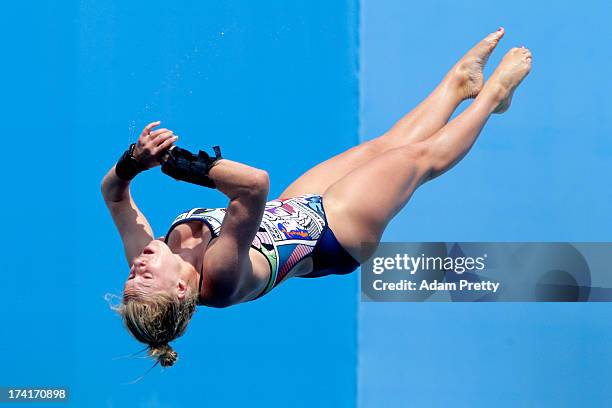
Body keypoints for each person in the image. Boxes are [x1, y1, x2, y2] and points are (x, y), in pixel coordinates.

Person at [101, 28, 531, 367]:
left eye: (130, 278)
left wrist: (134, 161)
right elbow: (253, 186)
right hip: (335, 237)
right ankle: (494, 95)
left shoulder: (152, 254)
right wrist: (176, 162)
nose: (135, 268)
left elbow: (114, 195)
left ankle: (460, 84)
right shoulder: (220, 277)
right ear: (179, 289)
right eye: (143, 278)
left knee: (385, 147)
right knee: (418, 159)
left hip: (294, 213)